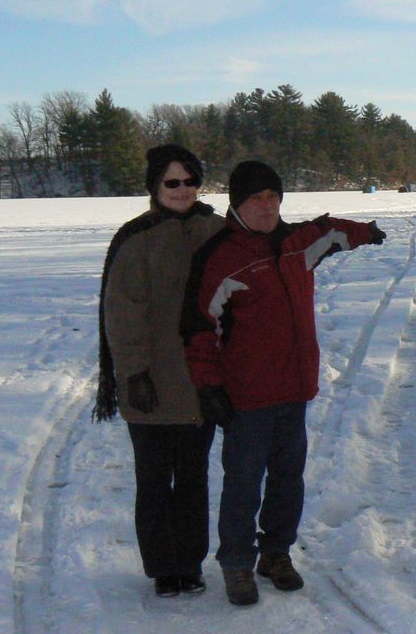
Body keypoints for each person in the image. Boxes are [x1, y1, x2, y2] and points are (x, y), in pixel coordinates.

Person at [180, 160, 386, 606]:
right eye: (257, 199)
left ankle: (275, 554)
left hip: (295, 389)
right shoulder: (220, 257)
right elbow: (199, 328)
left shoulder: (295, 243)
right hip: (248, 397)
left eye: (273, 198)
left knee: (288, 480)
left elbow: (329, 230)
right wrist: (209, 386)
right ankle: (236, 563)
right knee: (243, 483)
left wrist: (366, 232)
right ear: (237, 203)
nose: (267, 206)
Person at [93, 144, 225, 598]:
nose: (183, 190)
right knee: (153, 481)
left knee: (193, 479)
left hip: (201, 383)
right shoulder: (136, 239)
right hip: (149, 383)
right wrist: (133, 374)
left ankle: (190, 563)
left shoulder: (218, 230)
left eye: (190, 181)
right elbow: (122, 313)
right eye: (173, 182)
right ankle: (163, 568)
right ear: (155, 186)